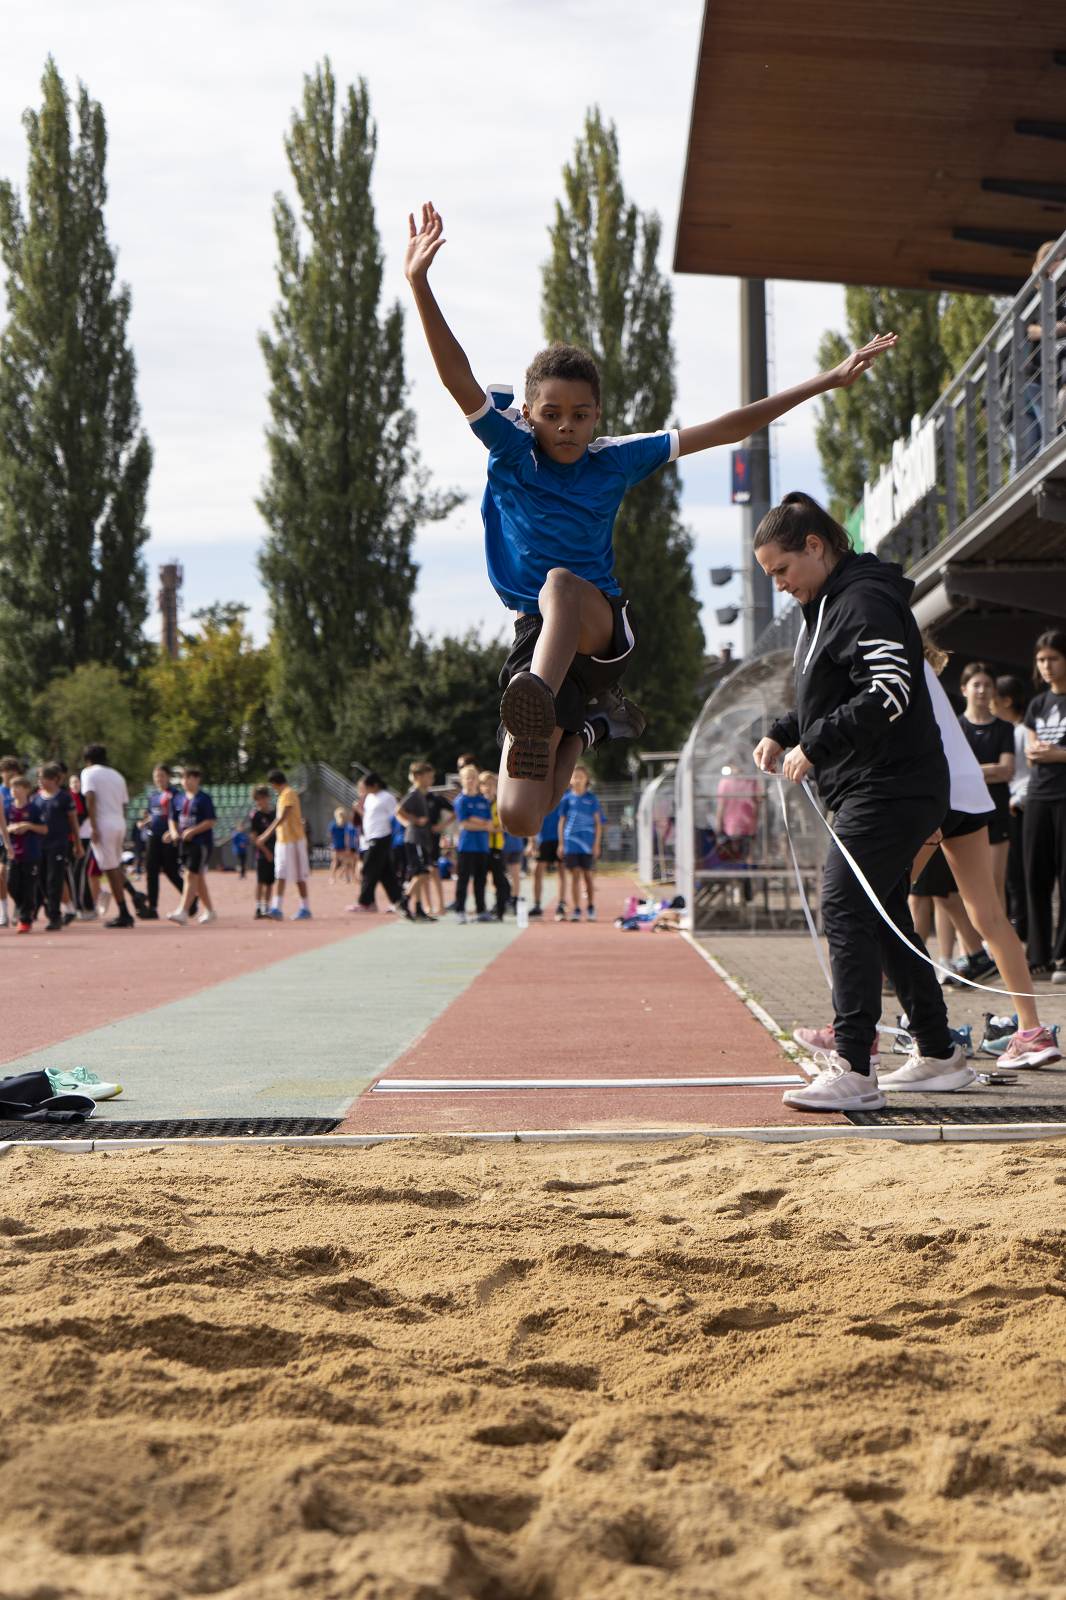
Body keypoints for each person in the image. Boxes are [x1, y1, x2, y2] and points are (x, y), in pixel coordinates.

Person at [403, 200, 896, 841]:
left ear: (598, 415)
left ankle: (542, 699)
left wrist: (824, 381)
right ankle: (588, 727)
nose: (566, 427)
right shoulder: (510, 448)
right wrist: (419, 283)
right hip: (538, 636)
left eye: (580, 415)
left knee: (560, 583)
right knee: (520, 816)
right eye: (552, 414)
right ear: (527, 411)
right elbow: (456, 377)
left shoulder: (613, 460)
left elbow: (725, 428)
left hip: (598, 627)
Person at [752, 493, 967, 1110]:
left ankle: (853, 1064)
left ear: (815, 546)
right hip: (878, 783)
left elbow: (889, 689)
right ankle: (938, 1052)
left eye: (782, 569)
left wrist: (816, 744)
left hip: (892, 785)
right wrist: (785, 730)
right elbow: (833, 692)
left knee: (844, 905)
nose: (779, 585)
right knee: (883, 914)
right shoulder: (828, 606)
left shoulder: (862, 599)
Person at [802, 639, 1062, 1071]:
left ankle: (860, 1032)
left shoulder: (881, 664)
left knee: (872, 908)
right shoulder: (911, 662)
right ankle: (1031, 1031)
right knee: (988, 916)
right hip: (967, 791)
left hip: (927, 790)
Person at [1023, 630, 1066, 982]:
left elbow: (1050, 752)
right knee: (1035, 875)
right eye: (1041, 660)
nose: (1046, 666)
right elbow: (1030, 751)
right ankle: (1038, 955)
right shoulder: (1037, 704)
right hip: (1038, 795)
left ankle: (1063, 955)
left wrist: (1058, 754)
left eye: (1053, 658)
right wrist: (1039, 752)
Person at [957, 662, 1014, 907]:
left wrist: (972, 771)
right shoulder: (956, 727)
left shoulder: (1004, 728)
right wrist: (990, 770)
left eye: (987, 685)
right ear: (964, 689)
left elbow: (1006, 771)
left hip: (996, 810)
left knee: (995, 882)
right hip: (964, 811)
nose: (982, 690)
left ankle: (998, 932)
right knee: (965, 887)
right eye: (976, 684)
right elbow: (954, 773)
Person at [81, 743, 134, 929]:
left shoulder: (88, 773)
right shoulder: (117, 775)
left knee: (110, 869)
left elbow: (90, 798)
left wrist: (94, 827)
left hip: (103, 823)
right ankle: (130, 901)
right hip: (119, 821)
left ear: (88, 759)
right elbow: (125, 803)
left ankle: (124, 912)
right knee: (115, 865)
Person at [995, 673, 1030, 940]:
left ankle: (1020, 929)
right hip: (1005, 807)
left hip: (1018, 807)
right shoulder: (1003, 731)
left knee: (1015, 874)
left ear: (1006, 700)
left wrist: (1017, 799)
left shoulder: (1022, 731)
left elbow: (1029, 774)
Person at [254, 769, 311, 921]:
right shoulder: (282, 795)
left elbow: (283, 816)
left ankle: (305, 907)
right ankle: (276, 907)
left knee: (299, 875)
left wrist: (266, 835)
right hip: (283, 840)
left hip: (294, 840)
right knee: (280, 873)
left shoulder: (288, 793)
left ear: (274, 783)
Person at [167, 767, 217, 925]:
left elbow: (211, 821)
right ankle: (210, 910)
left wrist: (193, 831)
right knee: (198, 878)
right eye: (183, 778)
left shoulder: (204, 799)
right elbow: (172, 819)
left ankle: (183, 911)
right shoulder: (178, 798)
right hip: (184, 844)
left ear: (197, 779)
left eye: (189, 778)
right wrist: (173, 832)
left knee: (190, 875)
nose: (186, 781)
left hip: (200, 843)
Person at [557, 765, 605, 923]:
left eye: (581, 777)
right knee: (575, 876)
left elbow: (598, 823)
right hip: (571, 843)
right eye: (575, 776)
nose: (578, 780)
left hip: (587, 844)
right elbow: (561, 822)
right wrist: (561, 844)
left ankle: (590, 907)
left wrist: (597, 844)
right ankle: (576, 908)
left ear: (587, 780)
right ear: (570, 780)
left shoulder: (592, 799)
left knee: (588, 876)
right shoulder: (566, 799)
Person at [352, 774, 404, 914]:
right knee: (385, 873)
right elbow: (369, 817)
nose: (364, 790)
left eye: (367, 787)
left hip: (382, 837)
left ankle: (365, 902)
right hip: (370, 838)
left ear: (375, 785)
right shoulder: (369, 798)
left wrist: (395, 835)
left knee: (368, 869)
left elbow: (395, 816)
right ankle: (398, 901)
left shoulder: (387, 797)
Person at [36, 763, 78, 932]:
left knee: (54, 880)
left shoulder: (64, 798)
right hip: (39, 845)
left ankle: (55, 916)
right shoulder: (36, 798)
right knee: (42, 880)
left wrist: (77, 844)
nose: (39, 781)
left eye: (42, 778)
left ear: (53, 779)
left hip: (58, 845)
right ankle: (51, 906)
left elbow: (73, 822)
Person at [139, 764, 184, 918]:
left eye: (162, 776)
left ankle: (190, 899)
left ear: (168, 777)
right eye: (156, 776)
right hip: (153, 837)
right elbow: (154, 815)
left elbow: (179, 815)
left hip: (168, 838)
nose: (159, 779)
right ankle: (152, 908)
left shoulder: (175, 795)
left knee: (171, 871)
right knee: (151, 871)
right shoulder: (153, 796)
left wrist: (173, 831)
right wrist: (144, 822)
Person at [452, 763, 492, 923]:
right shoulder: (460, 800)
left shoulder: (484, 800)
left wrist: (473, 819)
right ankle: (460, 910)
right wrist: (480, 823)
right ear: (462, 780)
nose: (470, 781)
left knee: (480, 880)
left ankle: (481, 910)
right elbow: (464, 824)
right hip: (466, 846)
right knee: (463, 879)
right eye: (467, 778)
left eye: (473, 777)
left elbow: (489, 823)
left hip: (482, 846)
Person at [5, 775, 45, 933]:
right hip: (13, 853)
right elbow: (3, 828)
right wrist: (11, 828)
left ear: (26, 790)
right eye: (12, 788)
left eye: (18, 787)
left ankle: (25, 919)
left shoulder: (34, 808)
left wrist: (28, 826)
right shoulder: (7, 808)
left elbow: (44, 829)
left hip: (31, 853)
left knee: (28, 886)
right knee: (11, 884)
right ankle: (24, 907)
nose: (14, 791)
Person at [397, 763, 437, 922]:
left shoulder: (421, 794)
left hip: (421, 839)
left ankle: (419, 908)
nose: (431, 780)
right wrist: (414, 821)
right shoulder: (414, 794)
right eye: (428, 777)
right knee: (422, 872)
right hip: (415, 839)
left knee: (419, 874)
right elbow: (398, 810)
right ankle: (404, 901)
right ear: (418, 777)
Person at [479, 770, 510, 919]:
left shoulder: (500, 803)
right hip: (480, 847)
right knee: (481, 880)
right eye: (485, 784)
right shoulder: (478, 802)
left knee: (499, 880)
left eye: (491, 784)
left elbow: (506, 825)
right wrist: (485, 827)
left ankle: (500, 910)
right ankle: (482, 910)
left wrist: (493, 828)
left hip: (496, 846)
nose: (488, 787)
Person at [0, 754, 23, 927]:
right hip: (3, 838)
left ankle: (19, 906)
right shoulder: (0, 791)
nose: (9, 774)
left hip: (19, 839)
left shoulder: (20, 791)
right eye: (6, 771)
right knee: (1, 874)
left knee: (14, 879)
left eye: (12, 771)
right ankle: (3, 912)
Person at [424, 779, 453, 915]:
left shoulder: (436, 798)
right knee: (422, 873)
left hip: (433, 840)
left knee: (434, 871)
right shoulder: (414, 797)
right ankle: (427, 906)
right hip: (419, 839)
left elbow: (455, 812)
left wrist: (442, 826)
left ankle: (441, 905)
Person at [248, 785, 276, 919]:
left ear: (268, 798)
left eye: (263, 798)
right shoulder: (255, 815)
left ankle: (266, 907)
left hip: (274, 852)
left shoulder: (274, 814)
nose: (261, 801)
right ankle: (258, 907)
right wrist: (266, 852)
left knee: (270, 882)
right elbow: (254, 837)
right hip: (262, 854)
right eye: (258, 799)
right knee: (261, 881)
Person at [530, 800, 561, 919]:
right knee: (536, 871)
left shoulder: (564, 794)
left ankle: (561, 904)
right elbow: (531, 818)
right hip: (542, 839)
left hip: (559, 839)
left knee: (561, 872)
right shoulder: (538, 795)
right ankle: (537, 905)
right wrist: (531, 842)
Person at [328, 808, 349, 882]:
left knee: (335, 862)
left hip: (335, 845)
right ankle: (345, 877)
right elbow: (347, 837)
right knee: (344, 862)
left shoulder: (332, 824)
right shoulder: (346, 825)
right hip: (342, 845)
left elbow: (330, 836)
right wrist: (347, 846)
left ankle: (332, 877)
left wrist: (331, 844)